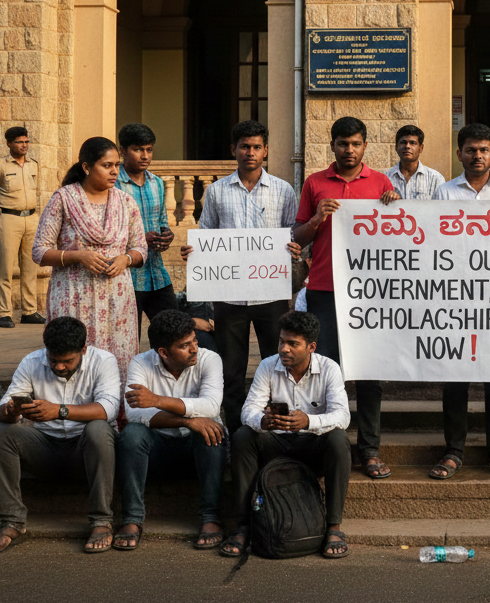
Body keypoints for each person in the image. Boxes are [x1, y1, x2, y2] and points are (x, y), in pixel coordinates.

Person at [291, 116, 395, 480]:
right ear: (331, 145)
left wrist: (395, 207)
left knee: (369, 372)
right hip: (324, 289)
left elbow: (399, 237)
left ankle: (369, 450)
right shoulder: (315, 183)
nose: (348, 150)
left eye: (355, 144)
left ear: (365, 145)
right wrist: (318, 218)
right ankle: (327, 445)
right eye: (342, 144)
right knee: (326, 371)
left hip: (370, 293)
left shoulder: (383, 183)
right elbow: (298, 238)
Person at [180, 120, 296, 433]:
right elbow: (206, 235)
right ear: (234, 150)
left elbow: (292, 237)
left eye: (257, 147)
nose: (250, 152)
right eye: (244, 146)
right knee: (231, 371)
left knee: (277, 364)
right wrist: (195, 253)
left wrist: (294, 251)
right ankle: (235, 434)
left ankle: (276, 430)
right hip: (229, 297)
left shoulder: (284, 191)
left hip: (271, 295)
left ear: (266, 151)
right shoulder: (216, 191)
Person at [430, 123, 490, 481]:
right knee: (455, 376)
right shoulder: (444, 193)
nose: (477, 155)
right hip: (455, 297)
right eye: (471, 150)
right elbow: (435, 243)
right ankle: (454, 450)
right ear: (459, 154)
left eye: (484, 149)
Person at [222, 311, 351, 560]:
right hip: (276, 444)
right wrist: (263, 421)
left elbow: (342, 417)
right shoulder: (267, 366)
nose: (284, 349)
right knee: (243, 436)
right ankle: (244, 525)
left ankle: (334, 528)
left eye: (293, 344)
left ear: (311, 347)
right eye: (282, 341)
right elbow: (249, 409)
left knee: (338, 439)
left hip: (313, 446)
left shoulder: (329, 369)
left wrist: (308, 421)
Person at [0, 316, 121, 553]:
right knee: (0, 433)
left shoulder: (104, 361)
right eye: (53, 360)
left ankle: (102, 521)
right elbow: (2, 410)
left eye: (67, 361)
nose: (59, 366)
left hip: (86, 451)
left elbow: (107, 409)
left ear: (83, 349)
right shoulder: (31, 361)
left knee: (99, 428)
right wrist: (10, 411)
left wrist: (59, 411)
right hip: (44, 449)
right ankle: (12, 522)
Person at [32, 137, 147, 383]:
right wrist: (77, 256)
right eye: (107, 165)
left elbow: (140, 249)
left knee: (117, 357)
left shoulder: (126, 202)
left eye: (117, 164)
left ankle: (115, 414)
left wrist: (126, 259)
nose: (115, 171)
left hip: (117, 298)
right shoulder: (63, 199)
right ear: (86, 167)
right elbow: (39, 251)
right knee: (73, 355)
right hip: (73, 296)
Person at [115, 310, 225, 552]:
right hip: (157, 449)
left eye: (195, 340)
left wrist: (157, 400)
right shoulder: (140, 363)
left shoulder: (210, 359)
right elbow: (134, 413)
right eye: (185, 345)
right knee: (132, 434)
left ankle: (210, 518)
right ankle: (132, 519)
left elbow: (211, 405)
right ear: (163, 352)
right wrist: (187, 421)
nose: (194, 348)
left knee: (211, 431)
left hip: (196, 450)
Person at [116, 123, 176, 339]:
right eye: (138, 149)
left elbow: (161, 221)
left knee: (172, 333)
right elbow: (108, 233)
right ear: (122, 151)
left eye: (149, 149)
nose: (144, 155)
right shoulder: (112, 184)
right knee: (128, 337)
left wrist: (166, 235)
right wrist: (141, 239)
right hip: (126, 276)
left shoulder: (157, 183)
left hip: (156, 273)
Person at [0, 126, 42, 328]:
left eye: (26, 142)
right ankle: (4, 313)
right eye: (20, 142)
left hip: (31, 218)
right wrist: (4, 202)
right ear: (9, 143)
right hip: (8, 219)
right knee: (6, 267)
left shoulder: (33, 165)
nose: (24, 146)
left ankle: (29, 311)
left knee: (30, 266)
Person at [386, 124, 444, 200]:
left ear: (421, 148)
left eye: (412, 143)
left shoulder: (435, 178)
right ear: (396, 147)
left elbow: (441, 209)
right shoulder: (386, 177)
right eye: (403, 142)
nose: (407, 146)